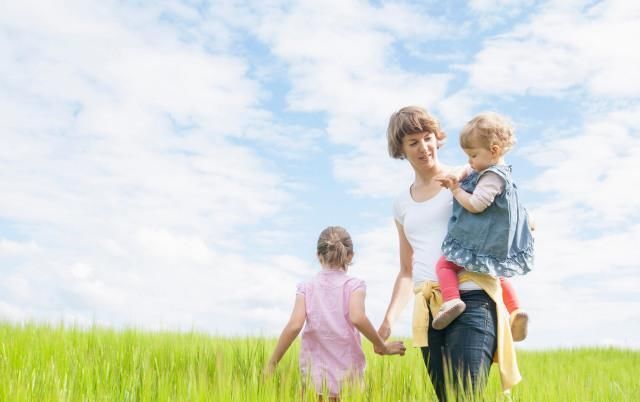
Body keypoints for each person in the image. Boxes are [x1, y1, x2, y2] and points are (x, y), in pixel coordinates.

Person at [379, 106, 520, 401]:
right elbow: (406, 269)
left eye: (427, 137)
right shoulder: (401, 203)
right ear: (400, 149)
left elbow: (505, 207)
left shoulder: (466, 175)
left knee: (465, 396)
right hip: (430, 308)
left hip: (472, 298)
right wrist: (388, 320)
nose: (424, 147)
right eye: (413, 142)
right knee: (447, 398)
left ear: (437, 137)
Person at [265, 226, 406, 401]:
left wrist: (272, 363)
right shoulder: (354, 286)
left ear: (318, 255)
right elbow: (357, 317)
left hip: (314, 381)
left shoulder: (306, 287)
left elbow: (294, 326)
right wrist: (381, 346)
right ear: (350, 256)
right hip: (348, 380)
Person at [431, 112, 534, 342]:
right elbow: (466, 171)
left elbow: (476, 204)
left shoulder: (491, 178)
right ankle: (516, 310)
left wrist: (456, 191)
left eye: (473, 155)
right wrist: (457, 175)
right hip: (495, 244)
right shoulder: (491, 170)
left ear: (494, 150)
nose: (470, 161)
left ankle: (452, 300)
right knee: (497, 274)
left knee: (445, 264)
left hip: (479, 239)